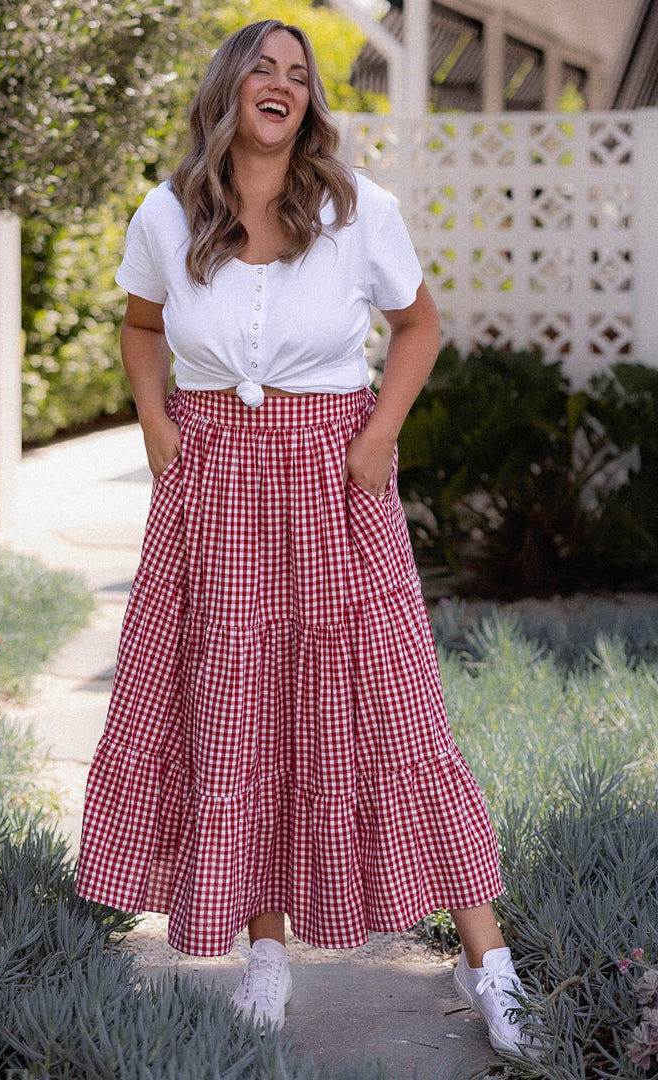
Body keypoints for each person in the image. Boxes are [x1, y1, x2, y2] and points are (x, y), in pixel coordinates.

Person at [76, 19, 542, 1061]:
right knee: (239, 711)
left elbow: (417, 323)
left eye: (300, 73)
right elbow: (142, 325)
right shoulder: (167, 213)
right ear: (231, 88)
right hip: (216, 479)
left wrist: (380, 436)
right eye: (265, 68)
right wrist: (156, 424)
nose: (282, 83)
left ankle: (488, 962)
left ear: (307, 102)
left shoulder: (356, 207)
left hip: (335, 475)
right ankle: (267, 960)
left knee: (395, 703)